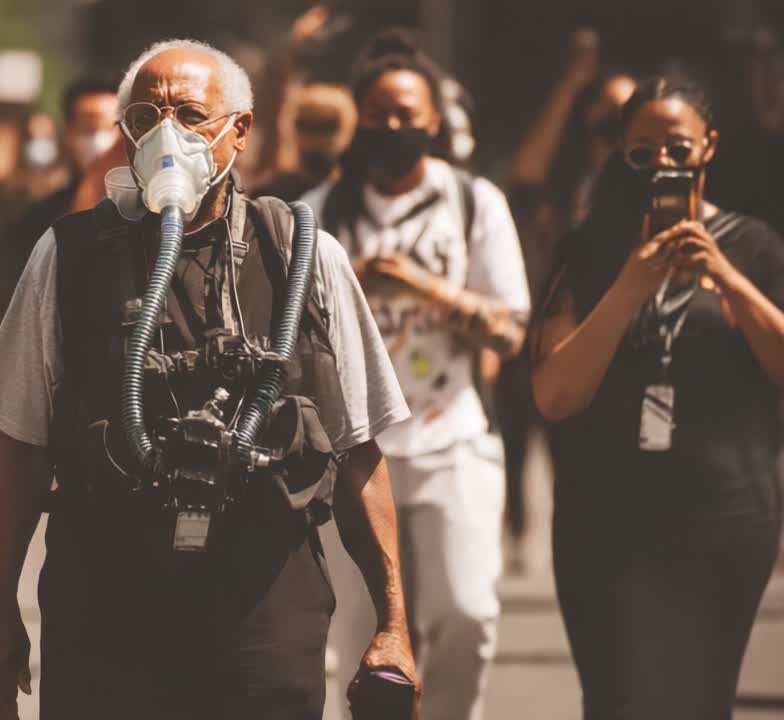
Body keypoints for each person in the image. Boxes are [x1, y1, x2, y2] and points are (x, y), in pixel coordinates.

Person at [0, 39, 417, 720]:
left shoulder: (302, 253)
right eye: (145, 115)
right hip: (106, 602)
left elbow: (358, 449)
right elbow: (21, 446)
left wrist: (394, 624)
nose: (167, 133)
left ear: (240, 127)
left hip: (263, 602)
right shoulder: (67, 255)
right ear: (123, 135)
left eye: (191, 113)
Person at [531, 74, 784, 720]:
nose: (663, 165)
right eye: (643, 152)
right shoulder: (589, 250)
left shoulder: (754, 246)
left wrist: (724, 276)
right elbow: (555, 394)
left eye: (678, 148)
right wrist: (629, 287)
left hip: (724, 516)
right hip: (605, 522)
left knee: (701, 705)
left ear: (710, 147)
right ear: (620, 152)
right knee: (618, 702)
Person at [301, 30, 530, 720]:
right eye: (378, 113)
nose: (394, 126)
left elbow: (511, 330)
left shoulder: (473, 202)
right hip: (354, 456)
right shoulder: (319, 214)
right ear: (356, 120)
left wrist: (428, 290)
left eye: (408, 113)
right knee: (354, 635)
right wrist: (354, 287)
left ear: (436, 120)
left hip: (451, 437)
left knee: (466, 616)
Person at [501, 32, 636, 557]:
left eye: (624, 115)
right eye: (602, 115)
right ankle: (521, 525)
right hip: (548, 326)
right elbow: (525, 174)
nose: (611, 126)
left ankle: (600, 537)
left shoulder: (645, 183)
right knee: (522, 427)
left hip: (616, 335)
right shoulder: (566, 181)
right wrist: (572, 87)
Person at [4, 75, 122, 307]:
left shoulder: (152, 208)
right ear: (68, 131)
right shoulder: (40, 217)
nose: (100, 141)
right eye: (88, 129)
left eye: (111, 128)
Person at [253, 82, 357, 202]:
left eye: (326, 126)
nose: (316, 137)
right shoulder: (269, 195)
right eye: (307, 124)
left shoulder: (358, 195)